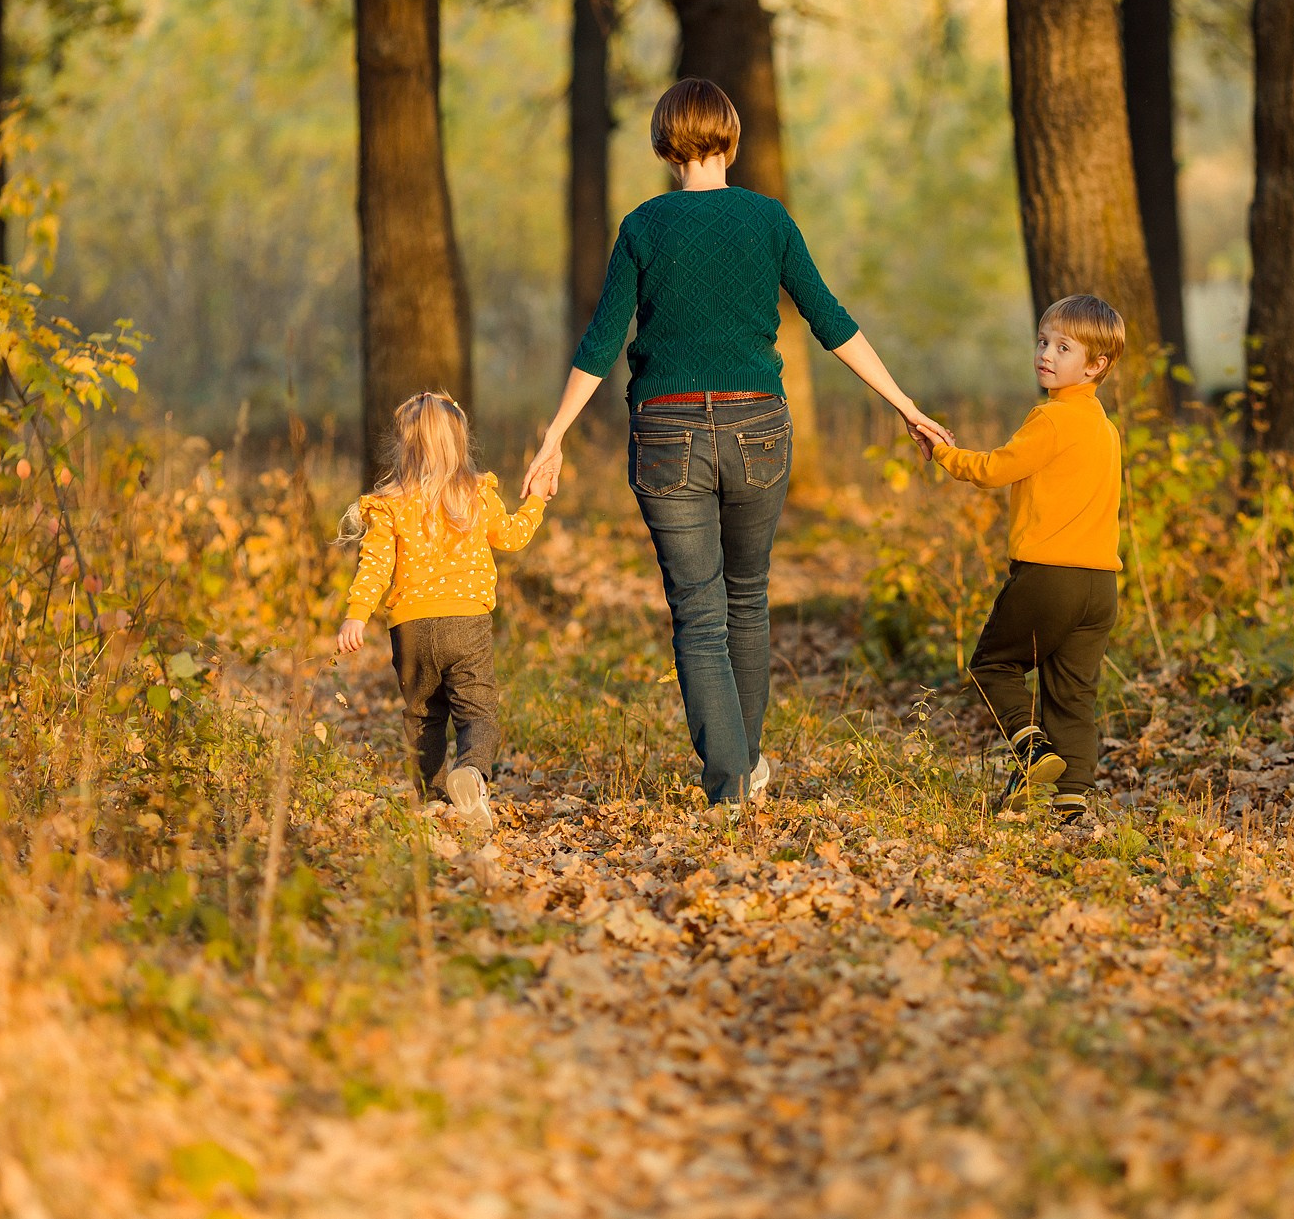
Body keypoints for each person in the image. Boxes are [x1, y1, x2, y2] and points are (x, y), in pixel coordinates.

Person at [521, 78, 950, 809]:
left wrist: (553, 437)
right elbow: (830, 319)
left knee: (698, 610)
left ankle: (731, 783)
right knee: (747, 600)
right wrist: (904, 404)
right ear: (731, 137)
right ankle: (742, 768)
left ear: (664, 142)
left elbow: (601, 342)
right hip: (758, 429)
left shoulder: (644, 226)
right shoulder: (767, 219)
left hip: (667, 431)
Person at [929, 295, 1124, 824]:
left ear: (1095, 365)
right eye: (1043, 342)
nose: (1046, 354)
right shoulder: (1106, 431)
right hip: (1101, 585)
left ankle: (1032, 750)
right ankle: (1073, 805)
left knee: (994, 664)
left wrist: (944, 451)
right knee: (1073, 694)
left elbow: (996, 468)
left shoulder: (1053, 418)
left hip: (1049, 577)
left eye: (1064, 347)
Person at [337, 392, 548, 831]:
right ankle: (471, 771)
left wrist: (356, 613)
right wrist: (537, 501)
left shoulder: (387, 505)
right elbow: (511, 536)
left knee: (422, 717)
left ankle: (434, 799)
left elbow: (374, 566)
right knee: (478, 714)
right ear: (459, 443)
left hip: (410, 629)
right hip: (467, 623)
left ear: (402, 447)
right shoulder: (475, 493)